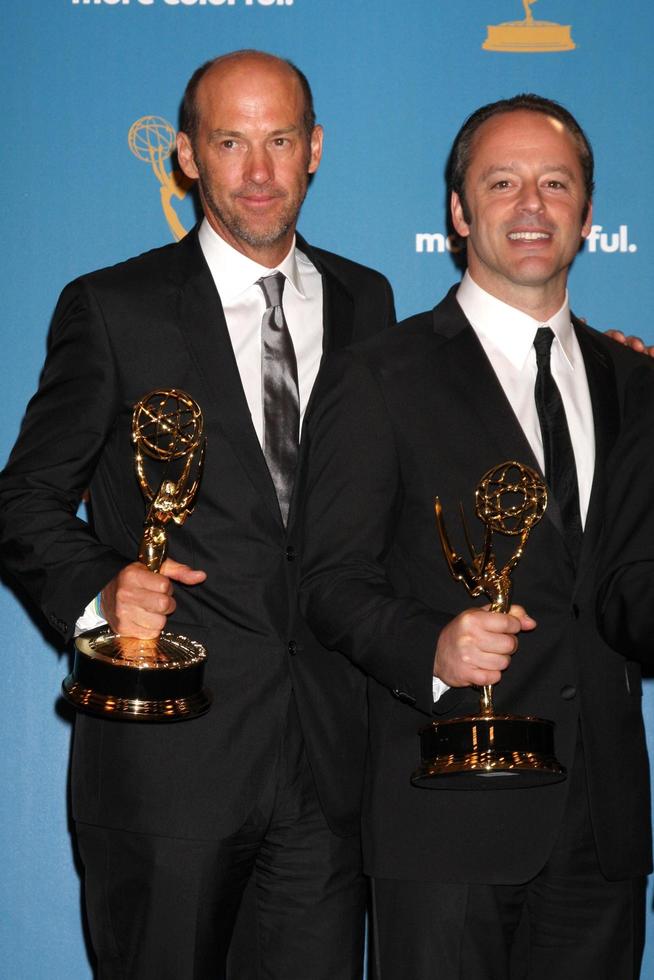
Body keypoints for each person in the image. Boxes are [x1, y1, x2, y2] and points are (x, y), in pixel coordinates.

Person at [0, 50, 395, 980]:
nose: (258, 173)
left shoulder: (369, 302)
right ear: (187, 154)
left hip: (331, 771)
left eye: (280, 140)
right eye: (230, 142)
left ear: (315, 150)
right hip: (165, 768)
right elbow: (23, 497)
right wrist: (101, 590)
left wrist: (594, 366)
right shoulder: (112, 307)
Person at [300, 94, 652, 979]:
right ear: (459, 213)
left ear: (587, 214)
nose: (531, 205)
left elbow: (626, 587)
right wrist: (432, 645)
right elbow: (327, 580)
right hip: (445, 812)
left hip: (601, 826)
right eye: (502, 183)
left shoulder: (636, 383)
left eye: (555, 183)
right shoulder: (378, 378)